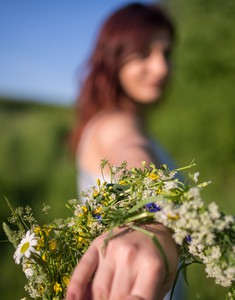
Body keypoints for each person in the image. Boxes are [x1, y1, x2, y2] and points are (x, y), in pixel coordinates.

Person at [67, 3, 183, 300]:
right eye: (144, 53)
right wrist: (150, 221)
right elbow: (131, 151)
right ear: (113, 59)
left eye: (166, 53)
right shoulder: (115, 123)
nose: (162, 67)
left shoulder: (113, 121)